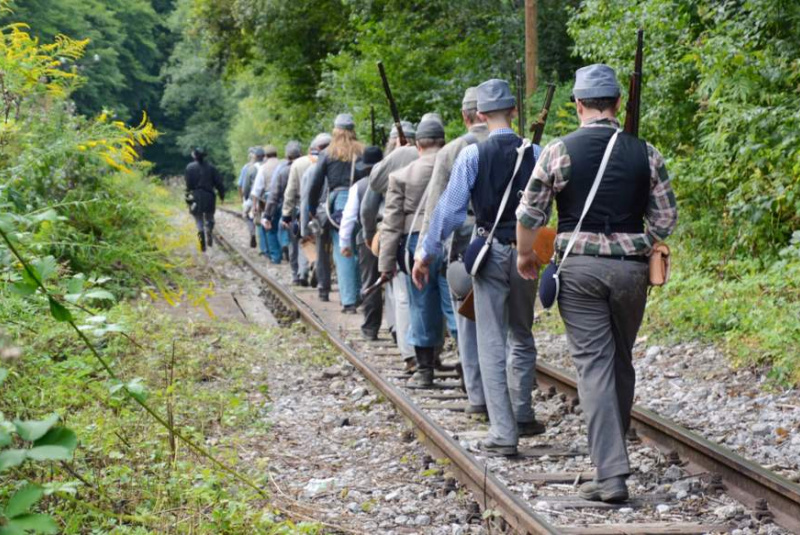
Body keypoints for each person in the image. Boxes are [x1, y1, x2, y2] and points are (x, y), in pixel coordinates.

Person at [515, 64, 678, 502]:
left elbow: (530, 213)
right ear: (618, 104)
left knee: (594, 365)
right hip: (631, 272)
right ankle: (612, 460)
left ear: (578, 105)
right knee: (620, 360)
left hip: (580, 271)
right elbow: (666, 218)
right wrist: (636, 235)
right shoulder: (646, 152)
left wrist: (525, 254)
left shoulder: (559, 150)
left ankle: (610, 474)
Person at [416, 79, 544, 456]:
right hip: (527, 251)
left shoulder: (472, 155)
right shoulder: (537, 152)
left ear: (481, 114)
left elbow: (451, 211)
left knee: (490, 340)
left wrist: (426, 252)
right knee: (522, 332)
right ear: (514, 111)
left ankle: (503, 432)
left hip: (489, 252)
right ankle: (523, 412)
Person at [415, 87, 489, 413]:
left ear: (465, 115)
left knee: (468, 323)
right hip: (511, 242)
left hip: (466, 248)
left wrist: (424, 253)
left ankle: (478, 397)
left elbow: (438, 209)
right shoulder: (519, 145)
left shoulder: (455, 150)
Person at [381, 117, 455, 387]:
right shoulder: (456, 167)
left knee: (421, 305)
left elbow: (391, 224)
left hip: (415, 245)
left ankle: (424, 371)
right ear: (443, 142)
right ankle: (471, 372)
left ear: (418, 145)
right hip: (451, 240)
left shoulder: (401, 175)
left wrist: (385, 264)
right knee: (454, 306)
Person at [362, 121, 418, 370]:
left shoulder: (388, 165)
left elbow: (368, 206)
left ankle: (408, 348)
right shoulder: (427, 157)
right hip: (424, 231)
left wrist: (368, 234)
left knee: (400, 293)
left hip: (394, 232)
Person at [308, 114, 365, 311]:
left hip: (338, 205)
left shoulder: (327, 153)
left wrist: (311, 208)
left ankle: (349, 300)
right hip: (362, 200)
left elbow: (316, 183)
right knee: (361, 248)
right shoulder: (363, 151)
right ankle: (361, 293)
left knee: (343, 250)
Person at [339, 146, 384, 339]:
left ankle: (370, 328)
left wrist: (344, 243)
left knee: (371, 282)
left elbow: (349, 217)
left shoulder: (359, 187)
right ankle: (397, 330)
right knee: (396, 285)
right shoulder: (394, 179)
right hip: (395, 235)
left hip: (369, 239)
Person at [283, 135, 330, 286]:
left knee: (303, 239)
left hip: (302, 207)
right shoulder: (333, 160)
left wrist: (286, 213)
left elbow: (290, 191)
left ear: (311, 148)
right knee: (324, 242)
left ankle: (303, 271)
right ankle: (321, 269)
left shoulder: (298, 164)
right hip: (327, 207)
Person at [265, 141, 302, 268]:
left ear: (287, 155)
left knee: (292, 238)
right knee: (306, 238)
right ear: (301, 153)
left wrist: (267, 215)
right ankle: (307, 264)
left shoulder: (283, 170)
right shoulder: (308, 165)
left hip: (289, 206)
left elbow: (274, 194)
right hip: (306, 206)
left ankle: (296, 269)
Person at [184, 147, 224, 252]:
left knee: (198, 220)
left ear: (194, 156)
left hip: (196, 196)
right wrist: (221, 195)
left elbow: (188, 185)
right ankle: (209, 229)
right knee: (210, 217)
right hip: (209, 196)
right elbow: (219, 183)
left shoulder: (189, 167)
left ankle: (202, 242)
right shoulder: (211, 167)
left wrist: (188, 198)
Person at [251, 145, 280, 258]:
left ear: (265, 156)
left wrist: (254, 205)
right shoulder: (282, 164)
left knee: (269, 226)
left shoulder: (263, 168)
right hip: (284, 198)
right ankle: (285, 248)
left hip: (269, 199)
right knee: (282, 226)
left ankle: (275, 256)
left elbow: (257, 189)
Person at [242, 147, 265, 248]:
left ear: (255, 157)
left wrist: (246, 197)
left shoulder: (251, 169)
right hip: (266, 198)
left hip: (254, 198)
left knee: (246, 214)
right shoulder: (266, 166)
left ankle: (252, 232)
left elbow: (246, 186)